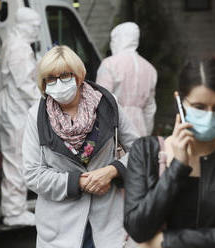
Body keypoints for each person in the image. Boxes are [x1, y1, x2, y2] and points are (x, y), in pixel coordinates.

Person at [22, 45, 139, 248]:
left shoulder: (108, 105)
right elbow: (32, 174)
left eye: (65, 75)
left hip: (108, 223)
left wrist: (112, 171)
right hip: (59, 230)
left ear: (78, 76)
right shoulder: (37, 116)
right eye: (51, 78)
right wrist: (78, 182)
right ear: (43, 83)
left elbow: (139, 150)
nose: (58, 83)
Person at [124, 57, 215, 248]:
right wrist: (178, 166)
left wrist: (169, 242)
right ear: (180, 103)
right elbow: (138, 229)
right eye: (199, 107)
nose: (209, 115)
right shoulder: (146, 151)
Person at [0, 7, 41, 226]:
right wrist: (45, 103)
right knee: (17, 158)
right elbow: (25, 85)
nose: (37, 31)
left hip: (14, 106)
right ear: (23, 25)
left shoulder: (14, 44)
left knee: (16, 157)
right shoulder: (19, 49)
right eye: (35, 27)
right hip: (16, 107)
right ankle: (14, 211)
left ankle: (15, 207)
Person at [96, 22, 157, 137]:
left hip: (115, 129)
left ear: (118, 39)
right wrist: (146, 134)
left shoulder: (109, 64)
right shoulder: (150, 69)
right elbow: (150, 109)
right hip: (140, 130)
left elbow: (101, 101)